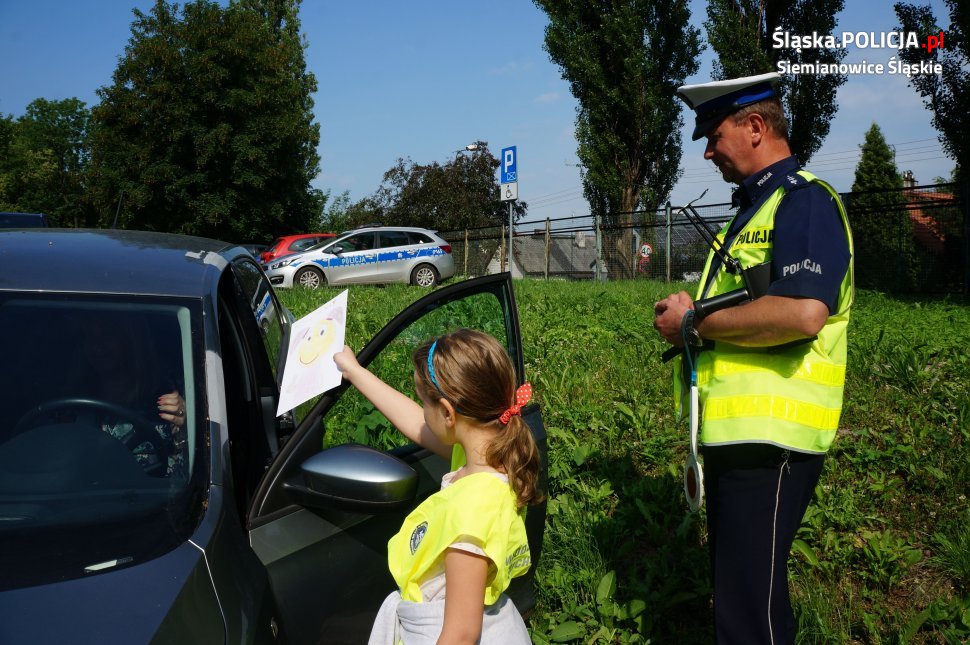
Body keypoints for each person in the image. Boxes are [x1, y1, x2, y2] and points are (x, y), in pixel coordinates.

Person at [653, 72, 854, 644]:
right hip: (742, 441)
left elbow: (801, 314)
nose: (708, 150)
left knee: (748, 620)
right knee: (746, 604)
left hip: (771, 444)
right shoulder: (754, 212)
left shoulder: (804, 202)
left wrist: (693, 322)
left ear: (757, 127)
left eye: (715, 135)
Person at [333, 328, 541, 644]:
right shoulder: (491, 458)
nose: (421, 410)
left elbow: (460, 635)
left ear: (447, 413)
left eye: (423, 400)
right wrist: (355, 373)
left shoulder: (470, 516)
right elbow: (418, 423)